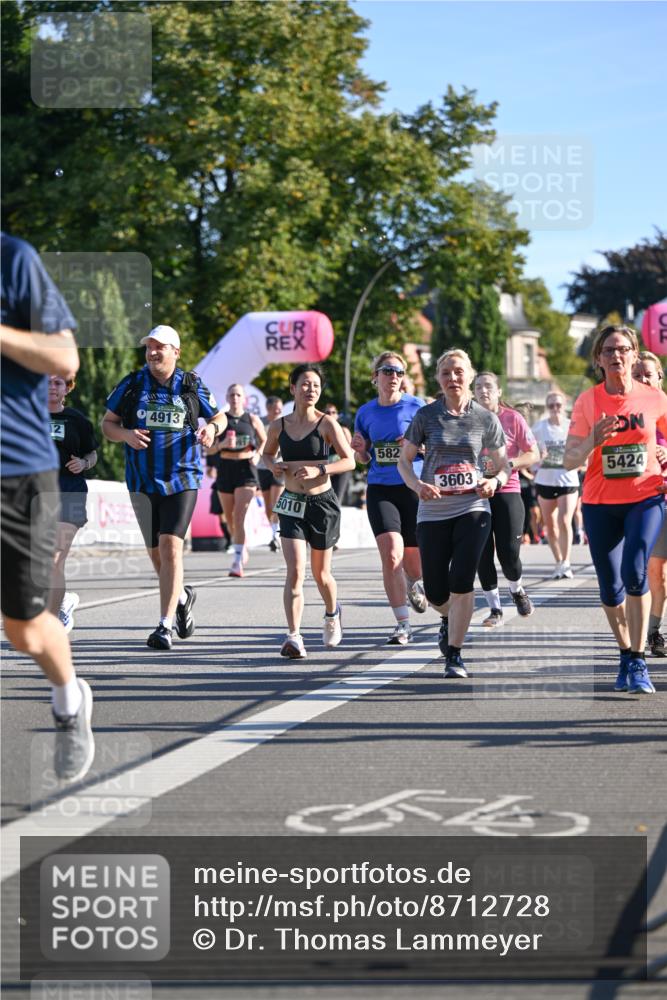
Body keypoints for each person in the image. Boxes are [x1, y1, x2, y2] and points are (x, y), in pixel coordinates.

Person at [1, 231, 94, 783]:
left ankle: (69, 699)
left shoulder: (15, 260)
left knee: (25, 629)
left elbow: (63, 355)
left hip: (18, 470)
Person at [102, 325, 227, 649]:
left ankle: (164, 626)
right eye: (149, 348)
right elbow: (107, 424)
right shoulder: (132, 384)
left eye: (160, 347)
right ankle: (182, 596)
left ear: (176, 352)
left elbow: (220, 417)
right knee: (156, 555)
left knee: (171, 546)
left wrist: (212, 429)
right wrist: (126, 435)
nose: (153, 353)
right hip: (142, 481)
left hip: (182, 478)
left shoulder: (190, 384)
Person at [564, 325, 667, 695]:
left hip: (646, 496)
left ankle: (638, 660)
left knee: (636, 569)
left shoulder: (655, 398)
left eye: (623, 349)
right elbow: (568, 460)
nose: (616, 355)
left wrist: (665, 455)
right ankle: (625, 652)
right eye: (608, 350)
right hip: (600, 502)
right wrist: (594, 440)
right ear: (598, 359)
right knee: (611, 589)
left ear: (635, 355)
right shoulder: (587, 402)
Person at [398, 349, 509, 678]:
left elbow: (503, 464)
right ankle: (447, 619)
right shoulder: (426, 416)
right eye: (446, 373)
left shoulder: (485, 418)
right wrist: (418, 485)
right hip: (432, 510)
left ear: (470, 376)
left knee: (462, 579)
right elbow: (403, 460)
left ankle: (455, 655)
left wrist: (495, 481)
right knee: (435, 591)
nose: (453, 378)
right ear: (438, 379)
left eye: (459, 372)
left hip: (473, 507)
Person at [262, 363, 355, 658]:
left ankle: (331, 613)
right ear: (293, 388)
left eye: (315, 385)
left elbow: (350, 460)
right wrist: (273, 465)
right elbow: (266, 453)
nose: (310, 389)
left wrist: (321, 469)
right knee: (294, 572)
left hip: (322, 504)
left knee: (321, 574)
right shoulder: (279, 425)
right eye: (305, 384)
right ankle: (294, 637)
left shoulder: (327, 424)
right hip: (291, 503)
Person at [351, 350, 428, 645]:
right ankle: (402, 623)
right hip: (381, 488)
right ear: (376, 377)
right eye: (387, 370)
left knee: (415, 565)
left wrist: (414, 446)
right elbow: (363, 456)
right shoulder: (365, 412)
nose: (393, 376)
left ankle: (411, 583)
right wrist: (359, 448)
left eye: (398, 371)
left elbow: (432, 447)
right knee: (391, 556)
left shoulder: (417, 407)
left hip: (412, 486)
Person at [474, 372, 540, 625]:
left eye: (488, 386)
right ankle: (494, 609)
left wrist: (508, 464)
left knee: (509, 553)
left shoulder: (512, 418)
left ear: (499, 392)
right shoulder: (467, 419)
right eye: (478, 386)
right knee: (481, 552)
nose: (483, 391)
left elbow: (532, 454)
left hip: (507, 489)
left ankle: (517, 589)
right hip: (476, 494)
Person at [47, 374, 98, 632]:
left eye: (57, 383)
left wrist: (84, 463)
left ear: (67, 388)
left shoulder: (77, 420)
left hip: (70, 491)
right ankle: (63, 601)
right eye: (45, 382)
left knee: (55, 557)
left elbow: (93, 452)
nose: (51, 387)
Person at [206, 384, 267, 577]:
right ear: (227, 397)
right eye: (231, 394)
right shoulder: (221, 420)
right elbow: (209, 449)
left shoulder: (252, 419)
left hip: (246, 470)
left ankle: (237, 561)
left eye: (238, 394)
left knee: (239, 516)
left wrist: (258, 454)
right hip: (226, 468)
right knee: (230, 518)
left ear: (244, 399)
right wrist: (221, 444)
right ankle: (242, 546)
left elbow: (265, 441)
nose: (234, 398)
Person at [632, 350, 667, 657]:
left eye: (648, 374)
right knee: (656, 574)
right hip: (648, 500)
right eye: (637, 375)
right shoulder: (628, 413)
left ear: (660, 377)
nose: (643, 379)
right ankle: (653, 632)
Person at [532, 390, 581, 579]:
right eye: (551, 405)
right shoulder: (538, 427)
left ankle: (567, 562)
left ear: (564, 406)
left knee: (564, 520)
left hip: (568, 480)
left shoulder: (572, 426)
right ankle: (559, 561)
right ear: (547, 407)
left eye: (558, 405)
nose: (555, 409)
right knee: (550, 525)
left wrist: (578, 460)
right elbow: (527, 450)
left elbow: (584, 450)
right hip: (545, 480)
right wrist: (538, 457)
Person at [257, 395, 284, 552]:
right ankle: (274, 532)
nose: (279, 410)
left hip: (279, 466)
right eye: (276, 408)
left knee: (275, 503)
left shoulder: (284, 423)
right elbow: (256, 441)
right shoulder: (261, 422)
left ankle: (277, 536)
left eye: (280, 408)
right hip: (262, 467)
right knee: (268, 506)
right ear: (268, 408)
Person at [324, 403, 353, 506]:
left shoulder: (344, 431)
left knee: (336, 501)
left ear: (337, 415)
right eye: (328, 412)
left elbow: (351, 452)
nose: (331, 414)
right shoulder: (320, 431)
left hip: (341, 470)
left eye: (333, 412)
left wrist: (336, 461)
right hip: (325, 470)